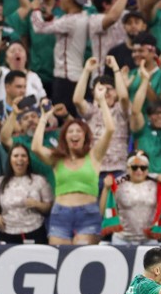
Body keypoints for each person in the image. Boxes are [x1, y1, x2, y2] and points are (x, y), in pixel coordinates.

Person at [31, 96, 114, 246]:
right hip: (61, 213)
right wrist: (44, 117)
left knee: (83, 260)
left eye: (78, 131)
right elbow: (36, 147)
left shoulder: (94, 155)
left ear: (85, 137)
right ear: (64, 137)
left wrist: (102, 100)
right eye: (70, 131)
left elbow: (110, 129)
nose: (74, 134)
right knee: (60, 259)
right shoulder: (57, 158)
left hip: (88, 214)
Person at [0, 144, 52, 244]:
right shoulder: (0, 182)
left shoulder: (40, 180)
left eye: (23, 156)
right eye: (16, 156)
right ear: (10, 159)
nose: (20, 159)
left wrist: (37, 204)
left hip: (35, 231)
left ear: (28, 160)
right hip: (7, 233)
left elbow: (49, 207)